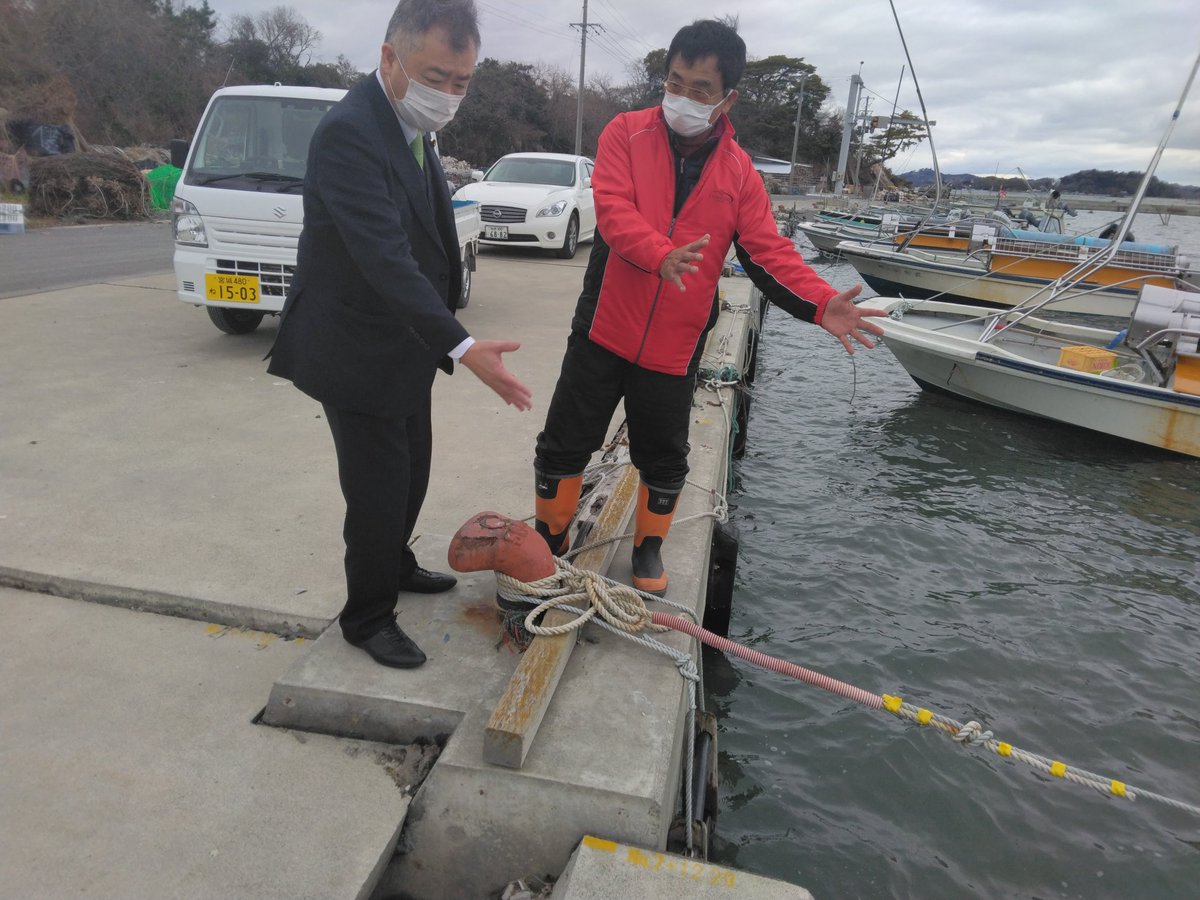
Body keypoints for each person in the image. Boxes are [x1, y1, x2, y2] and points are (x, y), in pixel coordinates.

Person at [533, 19, 886, 595]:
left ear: (728, 99)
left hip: (675, 343)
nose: (683, 97)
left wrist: (822, 302)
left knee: (664, 455)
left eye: (700, 89)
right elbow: (614, 211)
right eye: (675, 82)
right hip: (603, 325)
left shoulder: (740, 172)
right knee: (564, 441)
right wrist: (660, 254)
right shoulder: (624, 132)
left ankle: (648, 549)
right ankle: (551, 536)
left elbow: (768, 251)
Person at [267, 0, 531, 669]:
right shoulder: (350, 133)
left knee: (412, 470)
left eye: (462, 82)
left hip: (403, 345)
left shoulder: (411, 125)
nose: (448, 94)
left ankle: (396, 561)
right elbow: (384, 257)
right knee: (377, 490)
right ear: (390, 57)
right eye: (435, 77)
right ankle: (366, 616)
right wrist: (463, 346)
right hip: (354, 348)